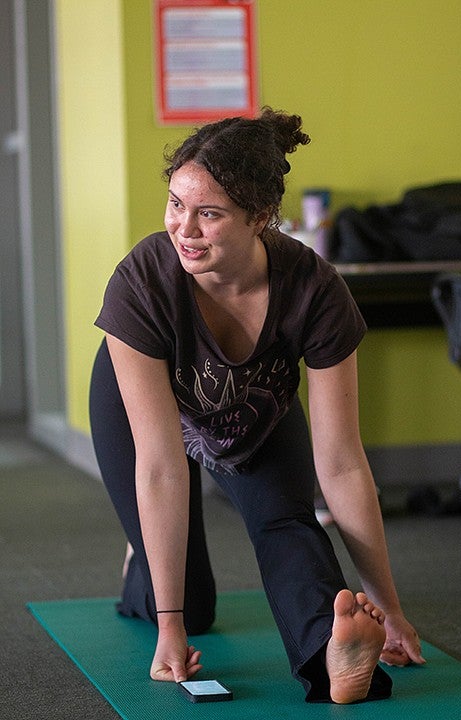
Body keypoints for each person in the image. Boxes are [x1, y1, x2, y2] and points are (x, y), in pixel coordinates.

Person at [89, 107, 425, 704]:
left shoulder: (315, 291)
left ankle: (335, 659)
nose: (183, 229)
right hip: (142, 406)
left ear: (262, 218)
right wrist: (170, 629)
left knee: (285, 523)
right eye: (175, 204)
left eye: (209, 214)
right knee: (192, 600)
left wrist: (390, 609)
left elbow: (342, 463)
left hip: (254, 408)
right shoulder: (142, 281)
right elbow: (163, 467)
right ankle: (142, 562)